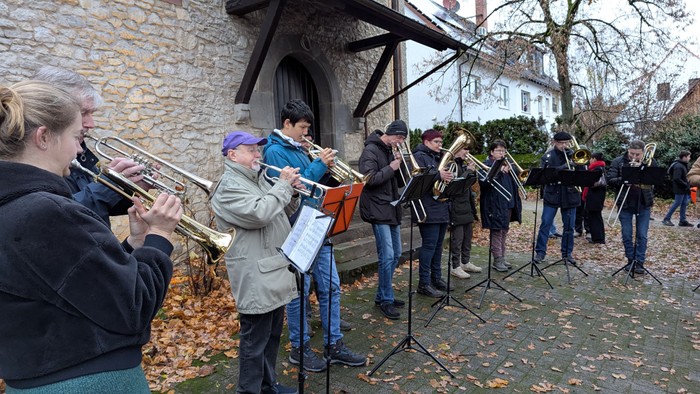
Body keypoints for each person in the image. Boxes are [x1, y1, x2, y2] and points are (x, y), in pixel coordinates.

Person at [0, 81, 181, 392]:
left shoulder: (18, 205)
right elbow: (134, 306)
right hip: (89, 381)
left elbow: (74, 285)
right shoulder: (48, 211)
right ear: (44, 137)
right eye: (75, 137)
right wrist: (160, 236)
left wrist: (135, 245)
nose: (80, 149)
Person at [262, 99, 365, 372]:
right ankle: (300, 347)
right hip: (296, 226)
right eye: (302, 128)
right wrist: (319, 164)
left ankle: (334, 344)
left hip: (318, 221)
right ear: (287, 124)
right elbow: (297, 188)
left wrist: (332, 174)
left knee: (331, 285)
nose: (307, 134)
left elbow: (317, 185)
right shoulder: (274, 152)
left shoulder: (301, 148)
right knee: (299, 291)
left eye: (308, 128)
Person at [210, 131, 301, 394]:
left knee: (271, 338)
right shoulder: (229, 186)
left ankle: (267, 385)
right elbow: (259, 214)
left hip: (273, 268)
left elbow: (278, 213)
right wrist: (283, 186)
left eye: (258, 150)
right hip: (255, 274)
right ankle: (248, 390)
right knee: (254, 343)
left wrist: (292, 193)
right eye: (251, 150)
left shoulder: (258, 179)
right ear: (233, 155)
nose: (258, 155)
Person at [33, 66, 152, 227]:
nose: (91, 124)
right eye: (83, 113)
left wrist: (133, 188)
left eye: (92, 113)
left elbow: (100, 206)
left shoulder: (80, 152)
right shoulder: (32, 157)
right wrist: (108, 185)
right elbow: (58, 219)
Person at [358, 122, 408, 320]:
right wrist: (390, 167)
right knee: (387, 255)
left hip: (391, 207)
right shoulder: (370, 150)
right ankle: (386, 299)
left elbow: (400, 182)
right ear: (393, 134)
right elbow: (368, 179)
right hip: (377, 209)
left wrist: (399, 165)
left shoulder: (390, 150)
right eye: (401, 138)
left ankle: (381, 295)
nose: (402, 143)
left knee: (395, 254)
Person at [412, 129, 454, 298]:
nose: (440, 145)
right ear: (426, 142)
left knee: (438, 246)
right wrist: (439, 174)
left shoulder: (437, 157)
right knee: (429, 246)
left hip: (441, 206)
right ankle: (424, 283)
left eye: (441, 142)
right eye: (436, 142)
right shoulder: (419, 156)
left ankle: (436, 278)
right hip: (427, 207)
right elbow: (421, 179)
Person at [606, 140, 658, 274]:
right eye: (631, 153)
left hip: (643, 202)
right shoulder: (618, 161)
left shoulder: (650, 162)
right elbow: (610, 179)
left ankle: (639, 262)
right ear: (628, 150)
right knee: (627, 234)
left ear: (643, 153)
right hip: (625, 203)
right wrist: (625, 179)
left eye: (638, 154)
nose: (634, 157)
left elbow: (656, 180)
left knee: (642, 235)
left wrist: (642, 169)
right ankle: (630, 260)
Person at [532, 132, 581, 265]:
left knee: (569, 227)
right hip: (552, 195)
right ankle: (540, 252)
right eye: (561, 143)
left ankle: (567, 254)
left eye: (566, 143)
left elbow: (582, 175)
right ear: (555, 142)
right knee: (545, 224)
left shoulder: (574, 155)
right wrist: (564, 167)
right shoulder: (547, 157)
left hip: (570, 195)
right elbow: (546, 176)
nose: (564, 146)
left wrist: (579, 165)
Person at [479, 140, 522, 272]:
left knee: (504, 231)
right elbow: (484, 183)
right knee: (497, 232)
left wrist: (511, 169)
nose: (501, 153)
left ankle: (502, 257)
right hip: (494, 205)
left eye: (503, 151)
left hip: (508, 203)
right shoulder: (485, 166)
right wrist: (498, 171)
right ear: (492, 152)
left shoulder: (508, 165)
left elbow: (517, 179)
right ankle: (497, 259)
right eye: (498, 150)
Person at [448, 147, 481, 279]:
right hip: (456, 206)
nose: (467, 152)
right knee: (458, 239)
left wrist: (472, 172)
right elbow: (455, 186)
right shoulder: (451, 165)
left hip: (467, 205)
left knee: (467, 237)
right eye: (464, 150)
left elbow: (470, 183)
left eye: (468, 149)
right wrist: (468, 171)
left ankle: (465, 262)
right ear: (456, 150)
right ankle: (455, 266)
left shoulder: (462, 164)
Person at [662, 150, 692, 227]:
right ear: (684, 157)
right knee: (677, 203)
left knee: (684, 203)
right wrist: (686, 184)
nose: (689, 158)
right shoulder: (678, 166)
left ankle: (682, 220)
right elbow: (676, 178)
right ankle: (666, 218)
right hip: (679, 188)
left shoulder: (683, 165)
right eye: (688, 157)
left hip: (684, 188)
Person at [582, 152, 607, 244]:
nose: (589, 160)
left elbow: (593, 182)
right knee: (595, 216)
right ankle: (597, 236)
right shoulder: (600, 167)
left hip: (595, 196)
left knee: (595, 217)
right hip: (597, 196)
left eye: (591, 159)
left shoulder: (597, 169)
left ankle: (598, 238)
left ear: (594, 159)